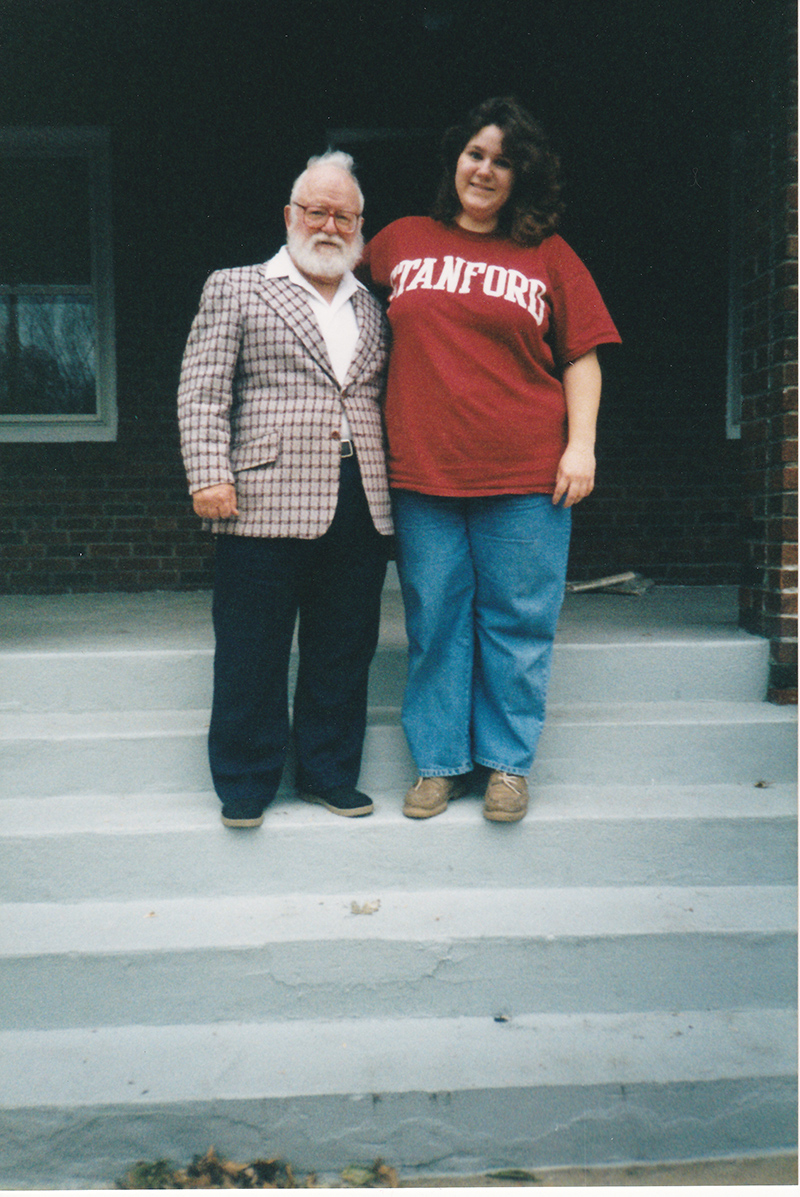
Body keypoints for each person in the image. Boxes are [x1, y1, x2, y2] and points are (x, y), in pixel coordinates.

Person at [359, 97, 621, 824]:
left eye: (503, 161)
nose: (485, 169)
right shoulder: (402, 240)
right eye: (476, 153)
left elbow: (583, 355)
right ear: (455, 161)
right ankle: (440, 764)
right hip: (423, 472)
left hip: (525, 474)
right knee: (436, 618)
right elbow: (325, 267)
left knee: (518, 619)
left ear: (521, 177)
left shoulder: (549, 254)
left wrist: (581, 443)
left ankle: (507, 764)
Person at [178, 151, 392, 828]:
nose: (329, 224)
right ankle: (245, 780)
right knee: (251, 648)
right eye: (316, 210)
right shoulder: (237, 287)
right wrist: (210, 472)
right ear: (290, 216)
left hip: (359, 500)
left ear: (360, 225)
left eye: (344, 215)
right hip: (261, 499)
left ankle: (328, 774)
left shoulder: (374, 306)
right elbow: (201, 391)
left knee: (343, 645)